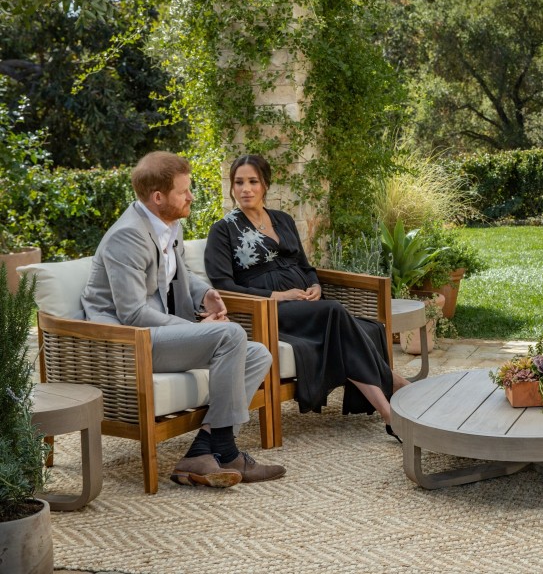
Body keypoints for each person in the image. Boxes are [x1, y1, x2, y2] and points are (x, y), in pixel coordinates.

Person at [82, 152, 286, 487]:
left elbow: (183, 274)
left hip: (154, 334)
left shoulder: (167, 224)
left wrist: (205, 294)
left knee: (258, 354)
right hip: (127, 343)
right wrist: (196, 329)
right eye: (184, 191)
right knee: (231, 335)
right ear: (157, 197)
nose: (191, 197)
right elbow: (132, 313)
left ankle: (202, 451)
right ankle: (227, 451)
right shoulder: (127, 237)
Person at [204, 155, 410, 441]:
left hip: (306, 305)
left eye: (253, 182)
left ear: (265, 185)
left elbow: (304, 265)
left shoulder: (283, 219)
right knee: (335, 312)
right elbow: (223, 285)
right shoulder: (223, 230)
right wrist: (277, 296)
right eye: (239, 182)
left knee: (349, 324)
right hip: (269, 312)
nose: (245, 189)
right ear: (232, 186)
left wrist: (314, 285)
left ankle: (393, 404)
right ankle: (393, 399)